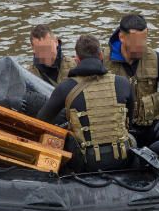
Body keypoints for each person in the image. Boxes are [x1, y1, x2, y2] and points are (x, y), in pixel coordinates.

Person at [36, 35, 135, 172]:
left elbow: (40, 122)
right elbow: (130, 121)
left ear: (77, 60)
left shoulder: (65, 88)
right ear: (101, 56)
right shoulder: (123, 82)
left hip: (87, 164)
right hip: (122, 158)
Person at [106, 13, 159, 145]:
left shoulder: (158, 60)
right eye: (136, 42)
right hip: (117, 134)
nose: (141, 46)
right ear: (122, 37)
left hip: (151, 130)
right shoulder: (103, 62)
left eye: (144, 40)